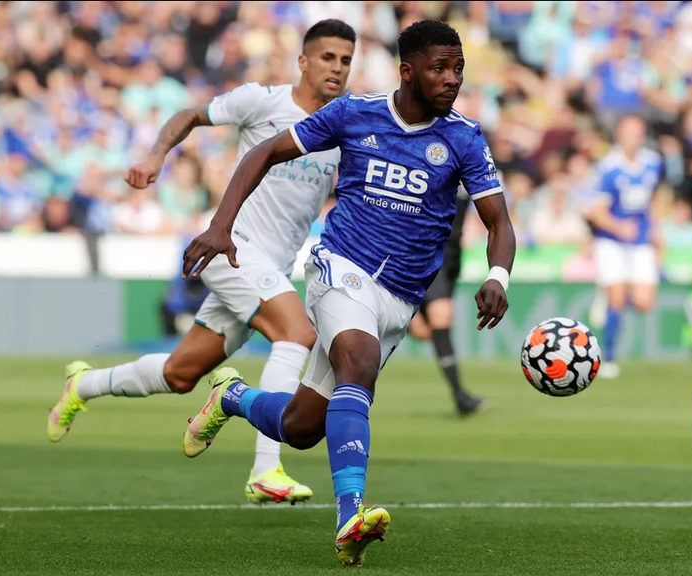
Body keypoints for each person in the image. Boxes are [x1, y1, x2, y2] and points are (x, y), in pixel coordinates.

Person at [177, 20, 516, 567]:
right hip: (341, 268)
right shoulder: (354, 114)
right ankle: (350, 516)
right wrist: (221, 226)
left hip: (400, 300)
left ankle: (232, 398)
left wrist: (497, 277)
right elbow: (261, 153)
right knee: (355, 365)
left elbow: (499, 223)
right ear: (407, 72)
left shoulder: (464, 137)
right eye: (439, 68)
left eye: (457, 68)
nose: (452, 78)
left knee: (303, 427)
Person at [46, 20, 358, 505]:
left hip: (269, 267)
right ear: (303, 60)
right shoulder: (263, 100)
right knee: (297, 334)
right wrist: (154, 157)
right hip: (229, 248)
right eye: (327, 57)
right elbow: (191, 115)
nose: (337, 68)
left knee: (179, 374)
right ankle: (266, 469)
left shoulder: (342, 125)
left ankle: (83, 384)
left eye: (345, 59)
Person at [583, 115, 663, 378]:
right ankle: (610, 357)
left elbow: (654, 199)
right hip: (612, 241)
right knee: (617, 298)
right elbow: (595, 211)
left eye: (638, 133)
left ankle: (607, 295)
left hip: (640, 241)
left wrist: (656, 229)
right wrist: (619, 227)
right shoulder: (609, 167)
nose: (634, 138)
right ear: (620, 135)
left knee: (644, 302)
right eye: (629, 133)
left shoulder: (652, 163)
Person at [405, 184, 487, 416]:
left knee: (425, 332)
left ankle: (403, 315)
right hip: (426, 251)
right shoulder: (429, 160)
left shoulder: (469, 161)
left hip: (452, 256)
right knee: (442, 317)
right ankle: (460, 395)